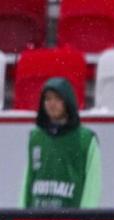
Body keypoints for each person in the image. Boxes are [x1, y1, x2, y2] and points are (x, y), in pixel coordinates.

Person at [21, 77, 101, 208]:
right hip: (38, 219)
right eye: (47, 99)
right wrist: (23, 216)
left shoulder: (86, 139)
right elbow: (28, 180)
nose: (52, 104)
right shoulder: (36, 137)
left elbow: (93, 184)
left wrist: (86, 219)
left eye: (58, 98)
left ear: (68, 102)